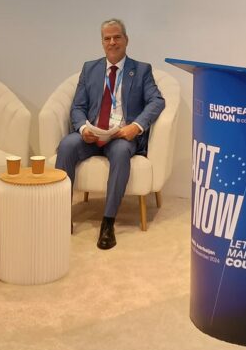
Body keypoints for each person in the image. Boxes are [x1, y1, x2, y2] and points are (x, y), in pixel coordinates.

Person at [55, 18, 165, 249]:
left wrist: (136, 126)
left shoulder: (141, 70)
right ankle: (61, 215)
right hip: (93, 134)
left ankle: (108, 222)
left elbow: (157, 101)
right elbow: (77, 107)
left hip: (121, 135)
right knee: (66, 145)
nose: (112, 42)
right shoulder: (90, 68)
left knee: (122, 152)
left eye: (117, 37)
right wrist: (83, 128)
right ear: (102, 42)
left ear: (126, 40)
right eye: (107, 38)